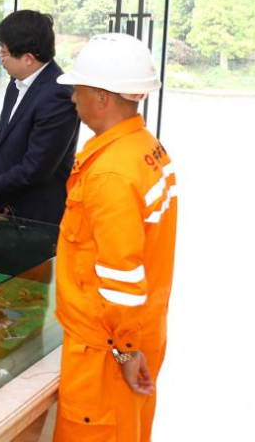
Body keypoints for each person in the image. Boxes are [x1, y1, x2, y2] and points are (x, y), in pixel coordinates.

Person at [53, 33, 177, 442]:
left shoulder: (111, 173)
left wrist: (124, 351)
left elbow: (122, 276)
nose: (73, 98)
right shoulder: (145, 148)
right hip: (142, 329)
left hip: (106, 346)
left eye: (79, 89)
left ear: (102, 97)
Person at [0, 10, 80, 224]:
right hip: (4, 207)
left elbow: (36, 167)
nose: (0, 59)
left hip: (35, 217)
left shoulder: (58, 94)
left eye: (4, 53)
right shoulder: (16, 83)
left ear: (28, 58)